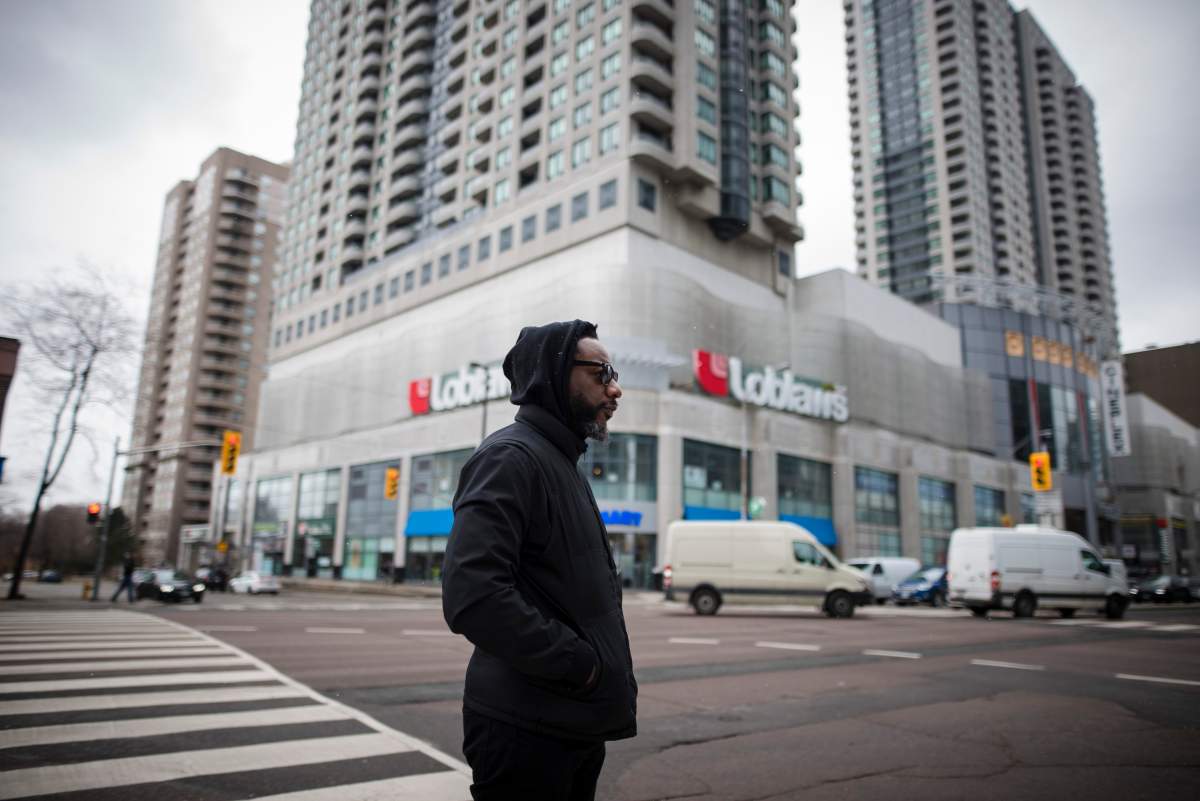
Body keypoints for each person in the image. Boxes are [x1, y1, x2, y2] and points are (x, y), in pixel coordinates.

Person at [442, 320, 637, 801]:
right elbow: (473, 595)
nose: (616, 389)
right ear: (553, 375)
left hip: (571, 722)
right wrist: (579, 665)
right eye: (601, 373)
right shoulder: (510, 459)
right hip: (528, 729)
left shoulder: (560, 462)